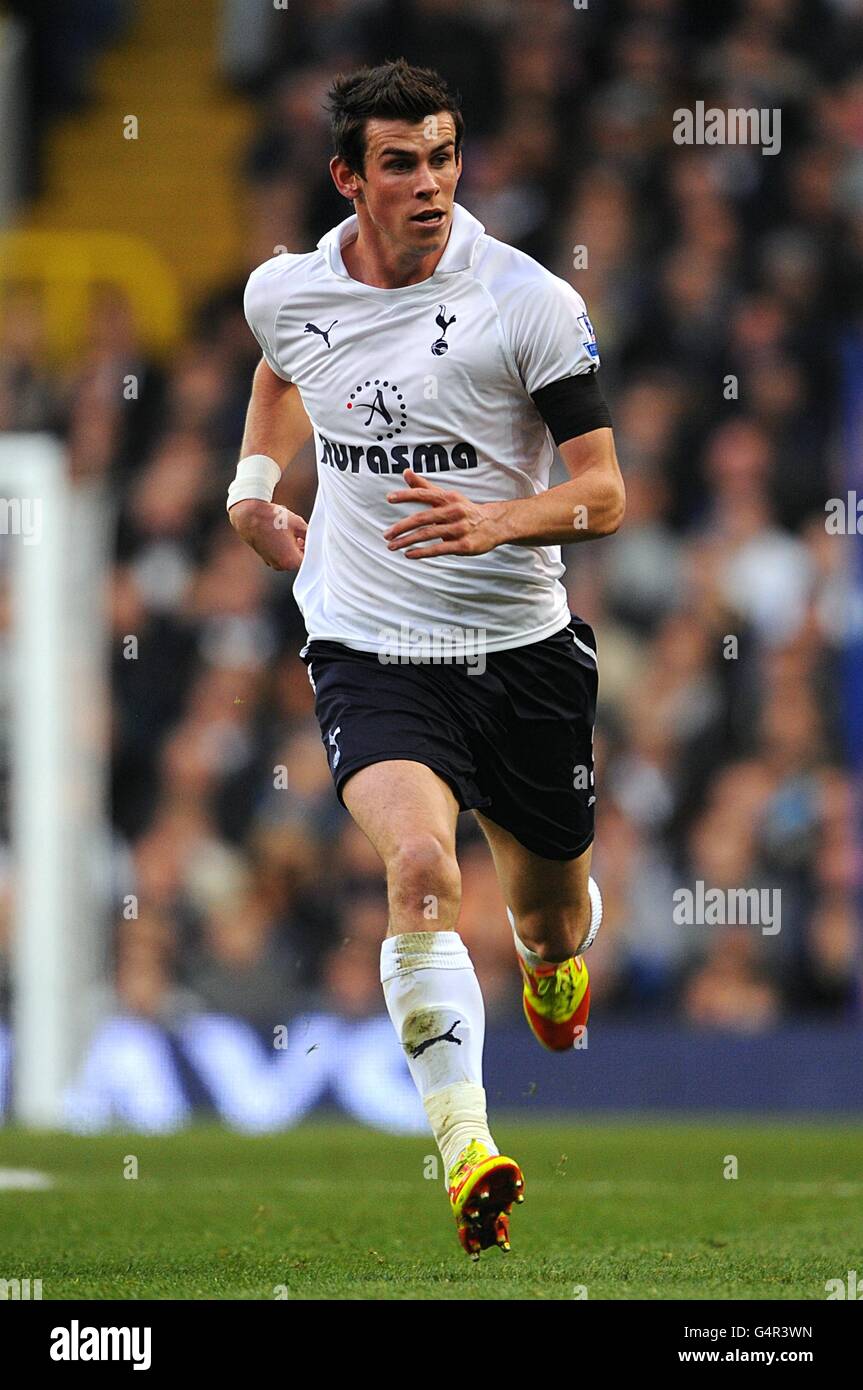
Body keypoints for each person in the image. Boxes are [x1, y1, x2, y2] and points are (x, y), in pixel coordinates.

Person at [227, 58, 624, 1259]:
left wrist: (497, 517)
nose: (430, 183)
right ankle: (466, 1149)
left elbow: (603, 492)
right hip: (369, 642)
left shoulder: (528, 303)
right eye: (400, 162)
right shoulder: (286, 292)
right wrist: (253, 487)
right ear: (350, 177)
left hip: (520, 648)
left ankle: (551, 962)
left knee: (549, 921)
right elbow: (281, 371)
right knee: (417, 868)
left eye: (444, 156)